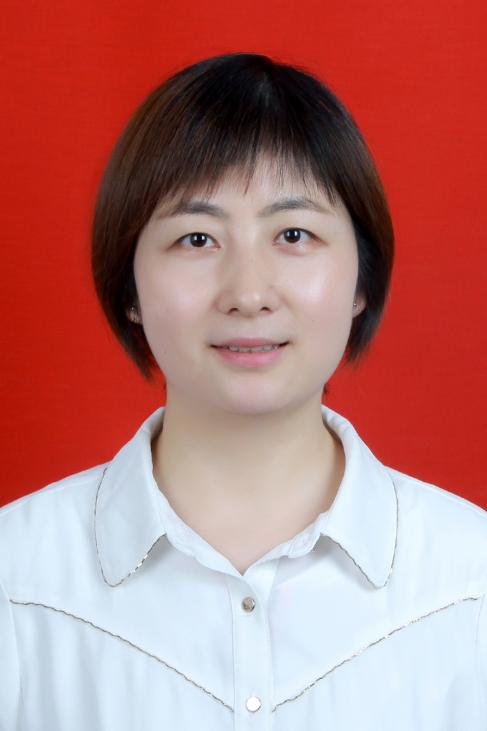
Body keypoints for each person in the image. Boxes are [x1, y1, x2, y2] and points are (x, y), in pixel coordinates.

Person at [0, 52, 486, 730]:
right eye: (197, 238)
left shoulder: (467, 584)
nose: (248, 293)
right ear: (128, 285)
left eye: (294, 234)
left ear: (362, 280)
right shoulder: (18, 581)